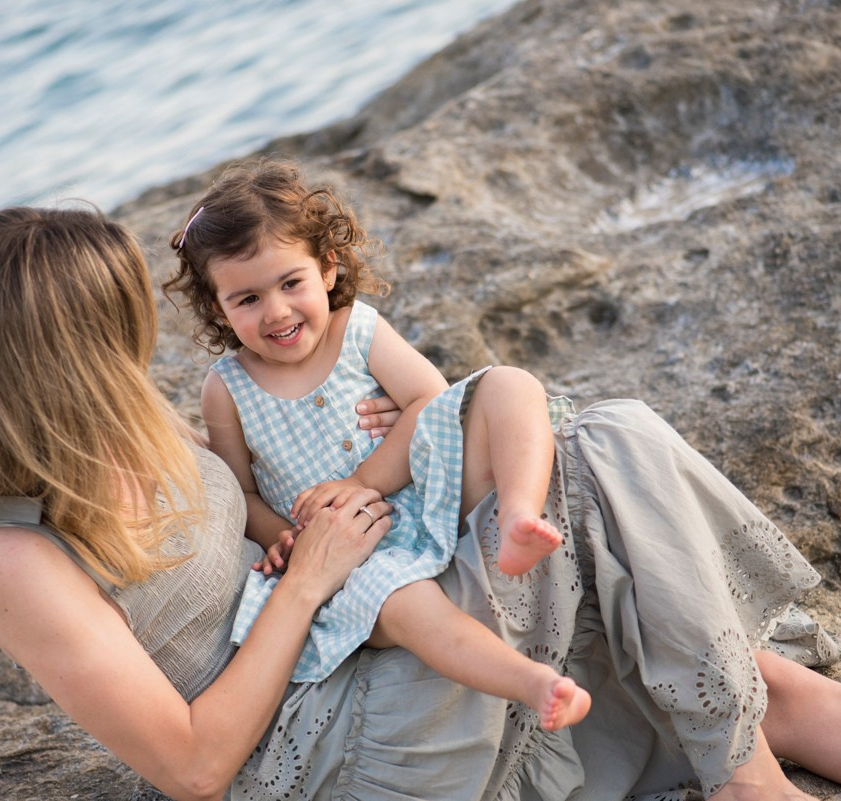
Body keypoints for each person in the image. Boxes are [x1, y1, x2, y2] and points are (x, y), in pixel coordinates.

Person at [0, 204, 841, 801]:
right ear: (65, 352)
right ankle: (747, 784)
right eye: (116, 325)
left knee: (751, 687)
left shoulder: (135, 424)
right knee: (602, 441)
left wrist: (383, 439)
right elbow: (193, 767)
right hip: (328, 743)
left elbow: (275, 500)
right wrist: (308, 582)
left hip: (369, 638)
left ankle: (747, 777)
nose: (136, 342)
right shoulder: (12, 557)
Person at [162, 159, 588, 731]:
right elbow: (240, 490)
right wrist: (285, 538)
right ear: (219, 308)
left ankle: (517, 517)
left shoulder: (355, 330)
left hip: (428, 491)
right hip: (353, 556)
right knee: (404, 605)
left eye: (290, 283)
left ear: (327, 268)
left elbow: (432, 401)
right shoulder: (227, 388)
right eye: (247, 299)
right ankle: (533, 683)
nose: (277, 311)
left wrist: (362, 482)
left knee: (509, 383)